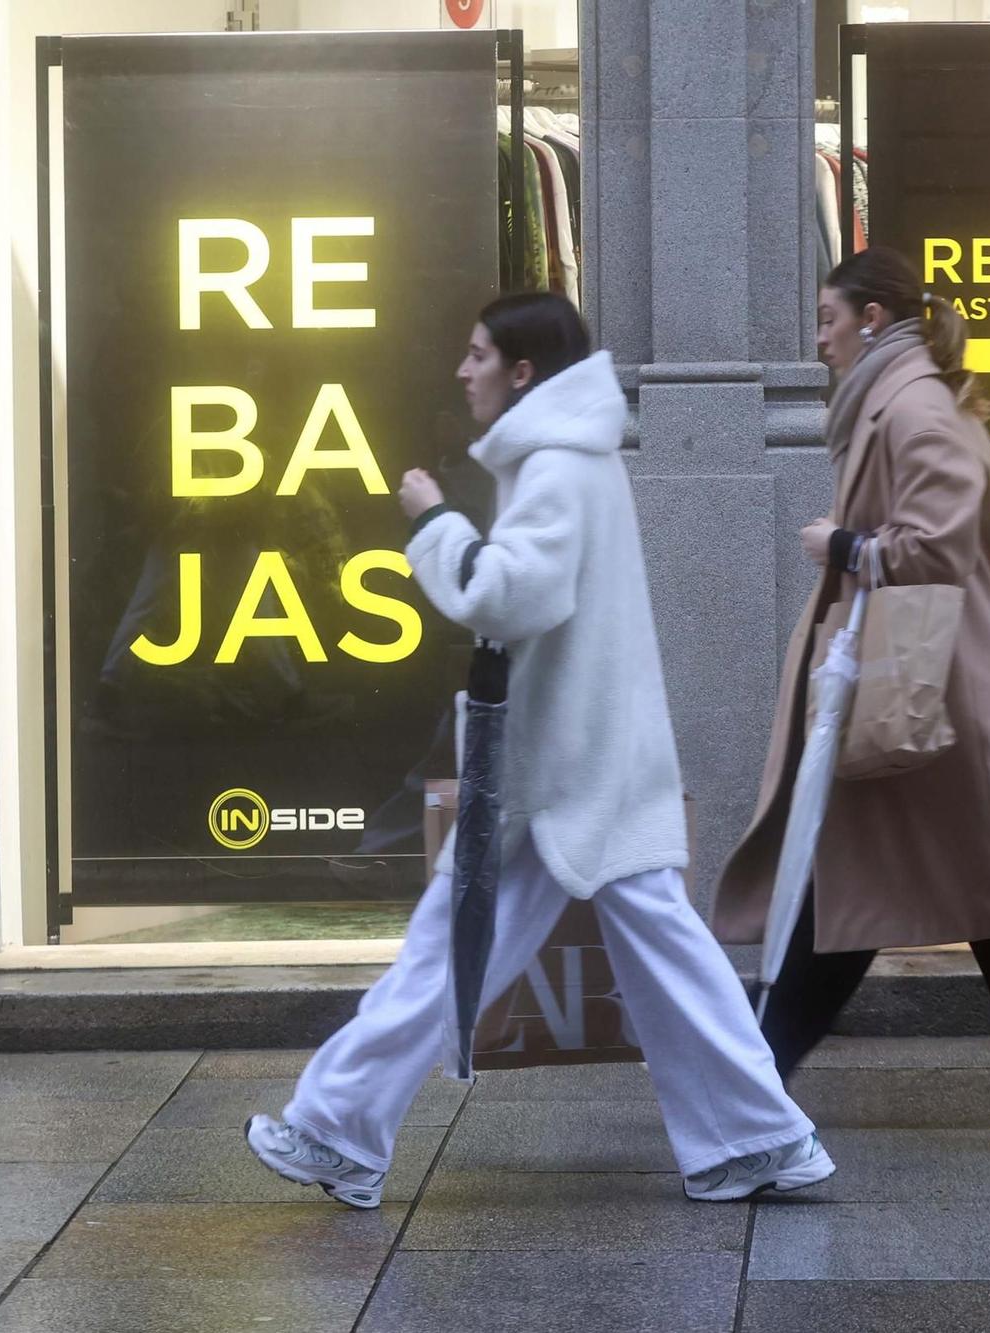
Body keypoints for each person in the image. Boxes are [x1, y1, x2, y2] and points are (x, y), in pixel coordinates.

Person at [246, 292, 835, 1207]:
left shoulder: (556, 465)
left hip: (556, 770)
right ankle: (757, 1137)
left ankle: (335, 1130)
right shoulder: (569, 458)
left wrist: (434, 522)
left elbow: (509, 595)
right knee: (644, 949)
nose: (463, 369)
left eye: (479, 353)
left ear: (523, 372)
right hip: (582, 762)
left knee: (459, 945)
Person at [712, 247, 990, 1154]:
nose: (821, 338)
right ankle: (752, 1081)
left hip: (929, 692)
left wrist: (840, 544)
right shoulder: (903, 399)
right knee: (888, 881)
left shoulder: (911, 407)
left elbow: (945, 549)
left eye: (829, 318)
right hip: (919, 689)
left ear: (873, 317)